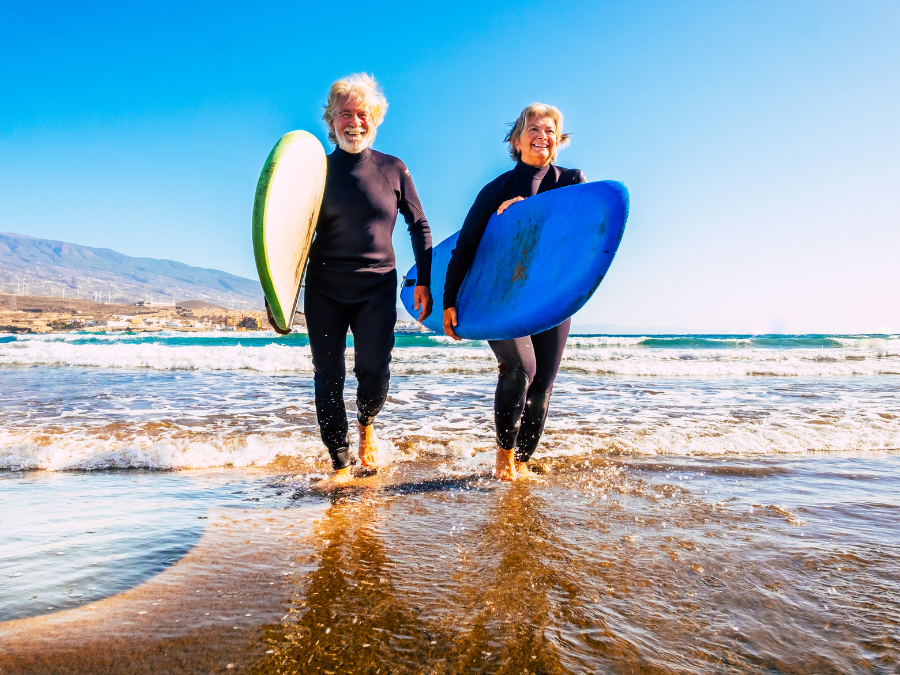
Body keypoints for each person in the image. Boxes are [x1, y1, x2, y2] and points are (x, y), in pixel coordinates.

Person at [268, 73, 433, 487]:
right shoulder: (317, 173)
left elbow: (419, 226)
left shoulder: (393, 169)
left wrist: (426, 281)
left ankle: (366, 423)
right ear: (332, 120)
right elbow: (288, 234)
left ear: (375, 119)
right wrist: (276, 295)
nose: (354, 122)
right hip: (325, 287)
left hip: (376, 288)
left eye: (362, 114)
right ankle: (340, 464)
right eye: (345, 114)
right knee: (328, 376)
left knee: (374, 373)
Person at [442, 103, 586, 481]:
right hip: (501, 296)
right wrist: (450, 301)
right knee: (521, 367)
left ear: (559, 140)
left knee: (543, 384)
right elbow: (468, 245)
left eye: (550, 130)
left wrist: (533, 214)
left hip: (551, 295)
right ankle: (504, 459)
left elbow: (580, 237)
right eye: (534, 129)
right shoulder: (496, 190)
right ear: (517, 140)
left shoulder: (571, 181)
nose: (543, 136)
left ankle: (522, 464)